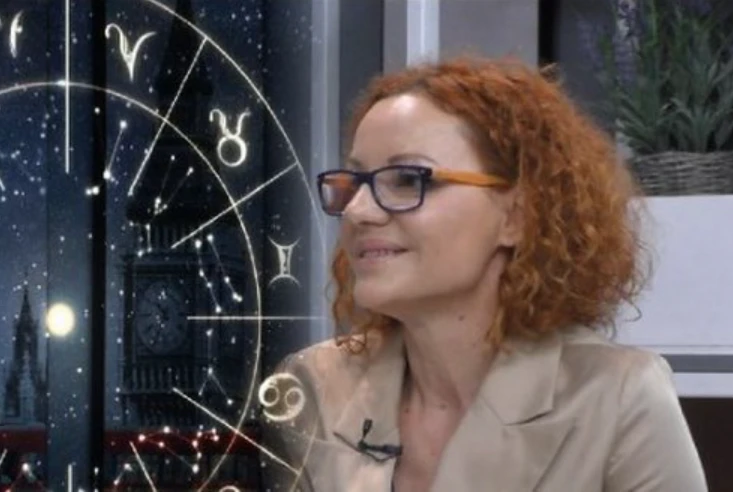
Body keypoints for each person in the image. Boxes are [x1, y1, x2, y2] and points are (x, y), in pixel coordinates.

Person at [265, 57, 707, 492]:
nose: (358, 210)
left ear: (517, 215)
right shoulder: (314, 388)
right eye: (354, 183)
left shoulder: (618, 396)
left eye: (407, 180)